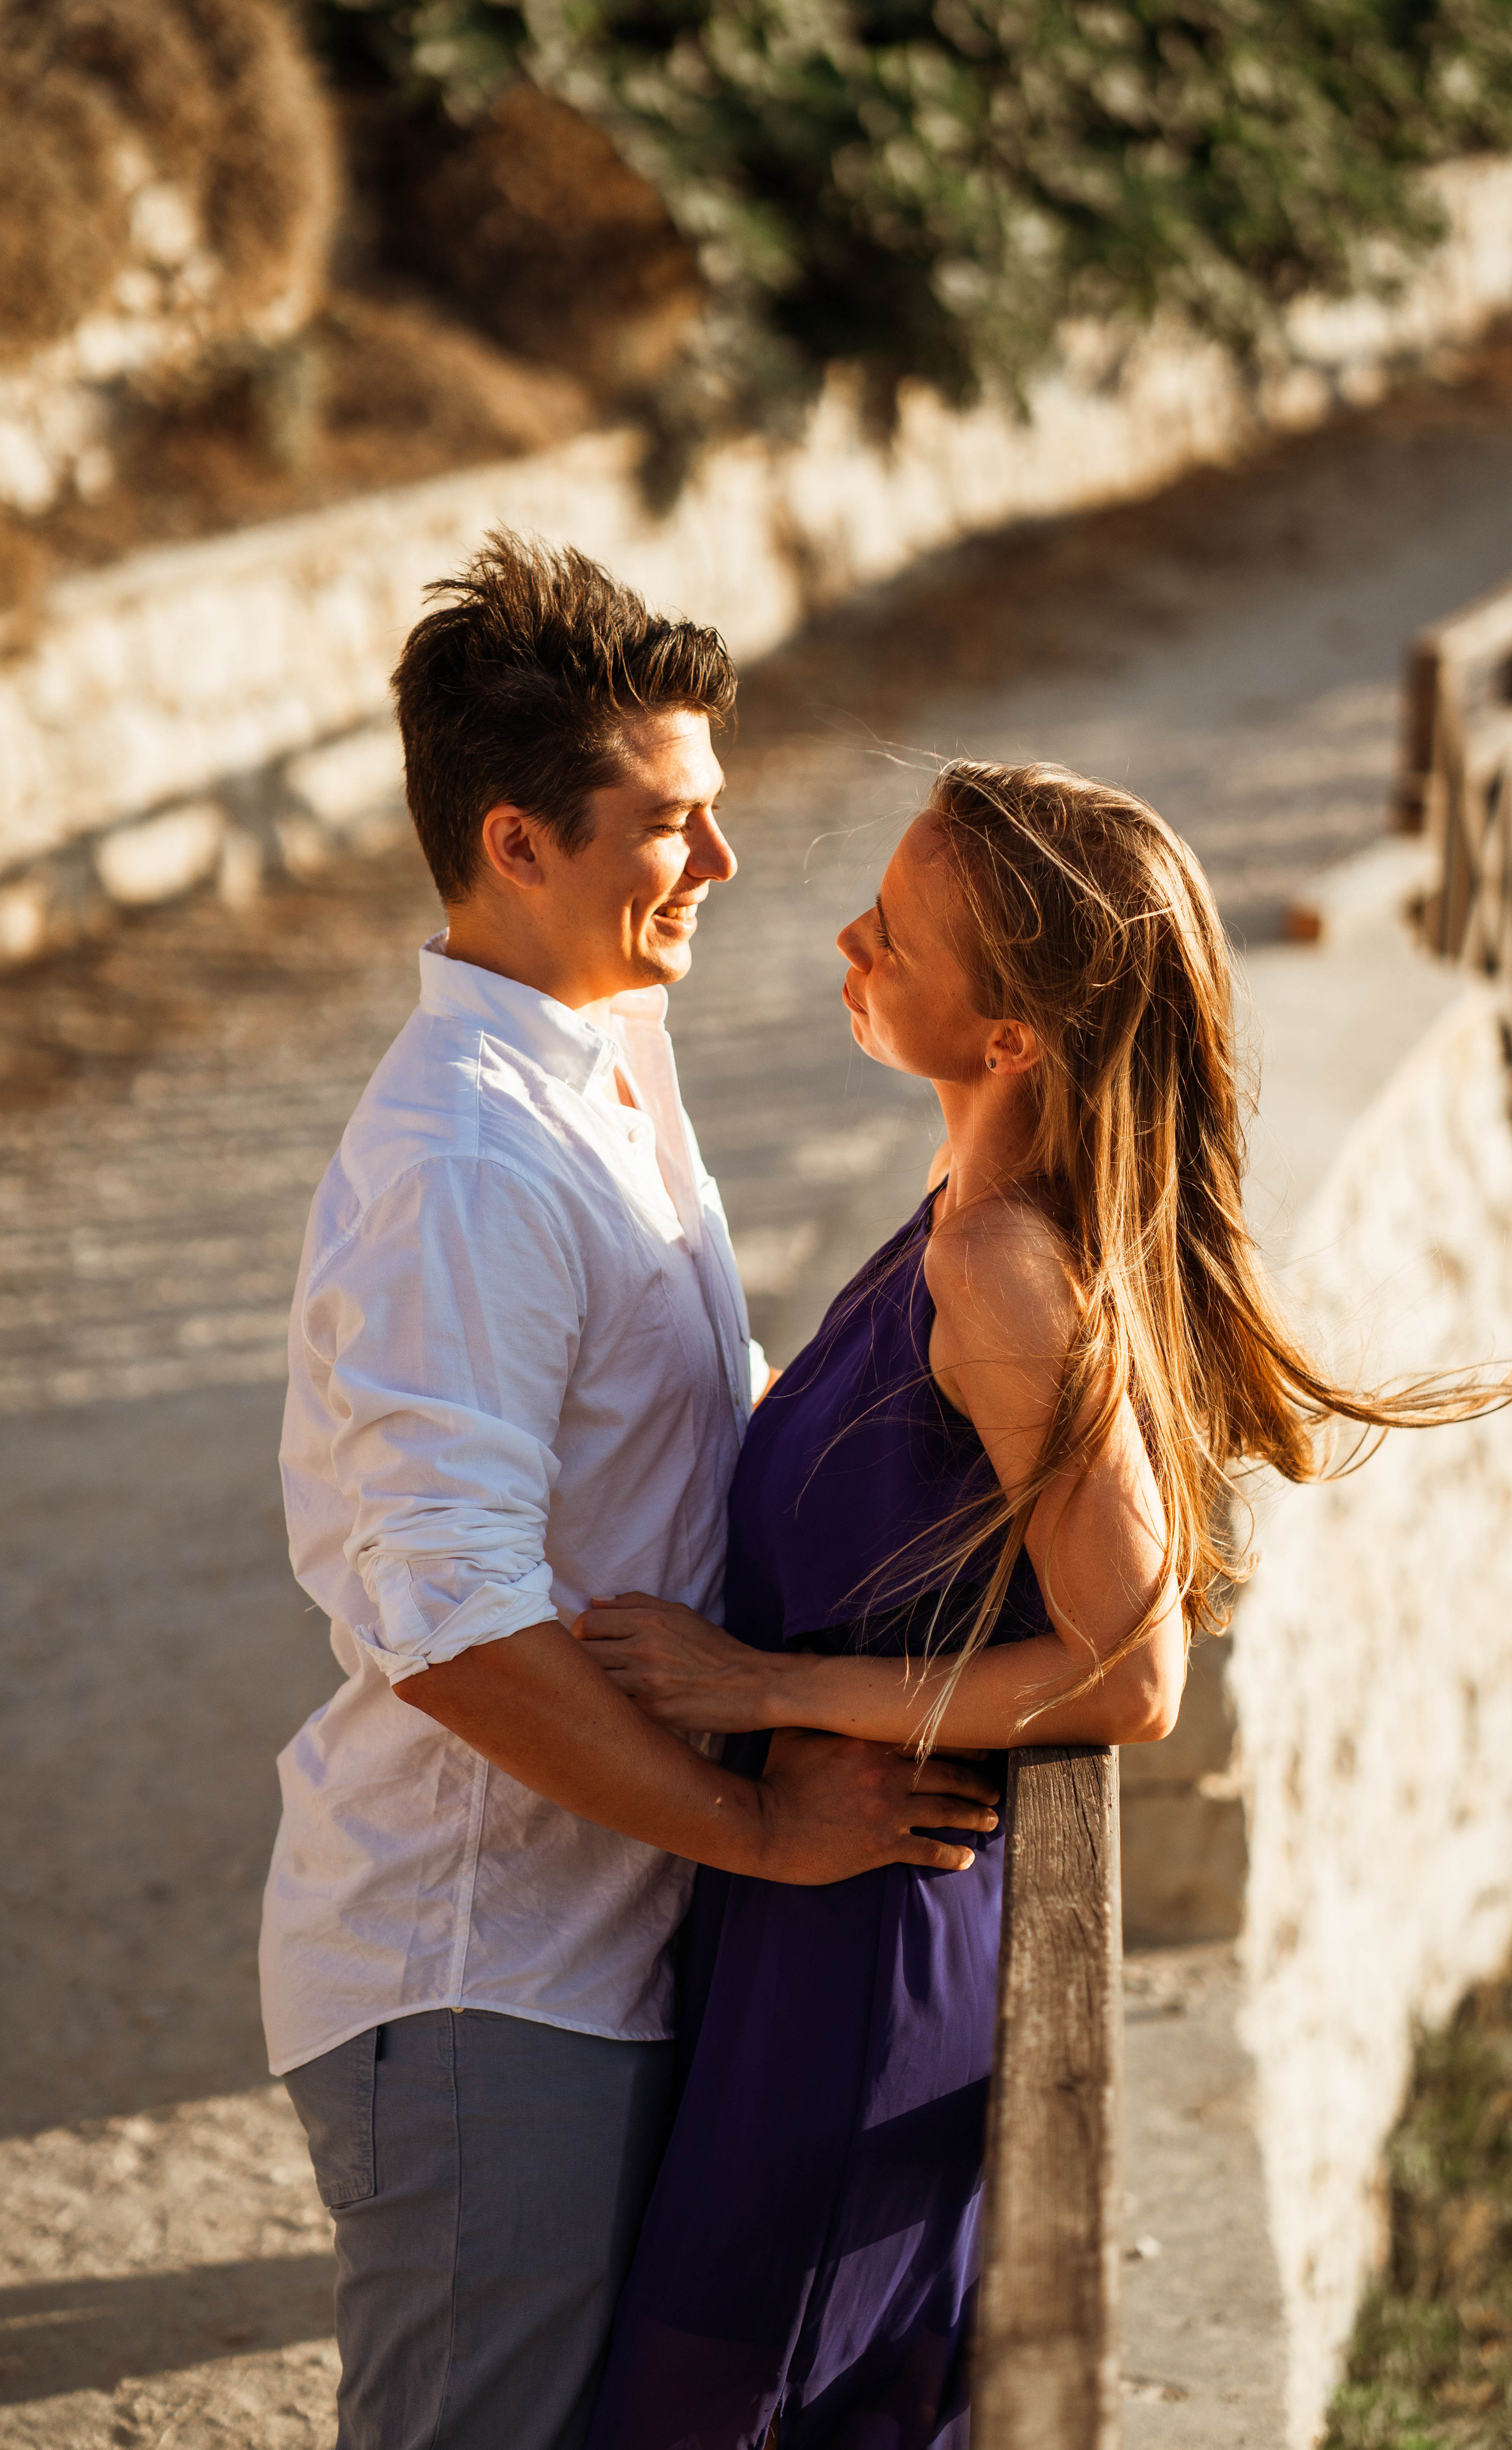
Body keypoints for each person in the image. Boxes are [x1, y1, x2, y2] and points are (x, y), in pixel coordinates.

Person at [574, 759, 1496, 2450]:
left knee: (733, 2402)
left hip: (865, 1944)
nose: (849, 934)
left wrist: (762, 1682)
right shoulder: (972, 1224)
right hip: (818, 1912)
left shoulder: (1001, 1267)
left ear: (1010, 1041)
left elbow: (1133, 1672)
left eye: (900, 935)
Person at [258, 534, 1000, 2450]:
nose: (724, 865)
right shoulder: (469, 1165)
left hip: (609, 1951)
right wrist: (761, 1829)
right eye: (671, 822)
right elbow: (443, 1616)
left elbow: (703, 1424)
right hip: (484, 1977)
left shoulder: (605, 1066)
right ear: (518, 841)